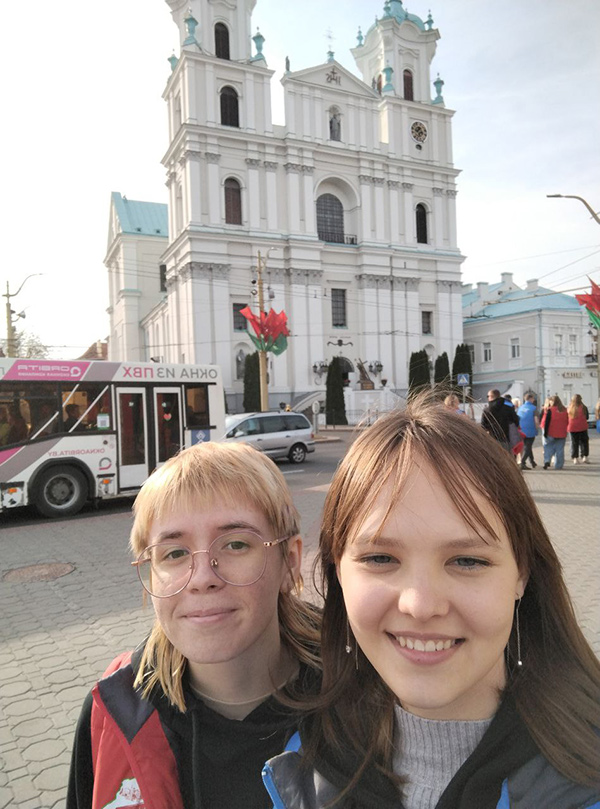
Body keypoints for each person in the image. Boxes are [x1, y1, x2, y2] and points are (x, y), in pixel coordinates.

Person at [262, 396, 600, 808]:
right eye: (381, 558)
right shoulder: (302, 767)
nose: (420, 605)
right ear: (338, 574)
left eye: (467, 560)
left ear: (522, 573)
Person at [67, 441, 320, 809]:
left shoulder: (362, 701)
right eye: (174, 553)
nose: (202, 578)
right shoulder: (112, 713)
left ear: (290, 562)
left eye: (235, 544)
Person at [541, 395, 568, 470]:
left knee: (548, 447)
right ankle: (558, 465)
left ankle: (547, 460)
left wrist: (545, 433)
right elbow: (567, 421)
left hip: (551, 432)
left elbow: (547, 423)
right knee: (560, 450)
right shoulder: (565, 410)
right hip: (562, 433)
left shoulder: (550, 410)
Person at [516, 394, 539, 470]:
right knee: (528, 447)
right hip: (530, 430)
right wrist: (537, 429)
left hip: (521, 430)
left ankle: (532, 462)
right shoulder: (534, 408)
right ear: (530, 399)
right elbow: (536, 421)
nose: (534, 400)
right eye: (533, 398)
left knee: (527, 446)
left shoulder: (520, 408)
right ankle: (522, 462)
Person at [567, 394, 590, 464]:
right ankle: (584, 456)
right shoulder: (584, 407)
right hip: (583, 427)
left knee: (574, 443)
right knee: (584, 442)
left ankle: (575, 458)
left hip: (572, 427)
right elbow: (587, 417)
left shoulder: (570, 407)